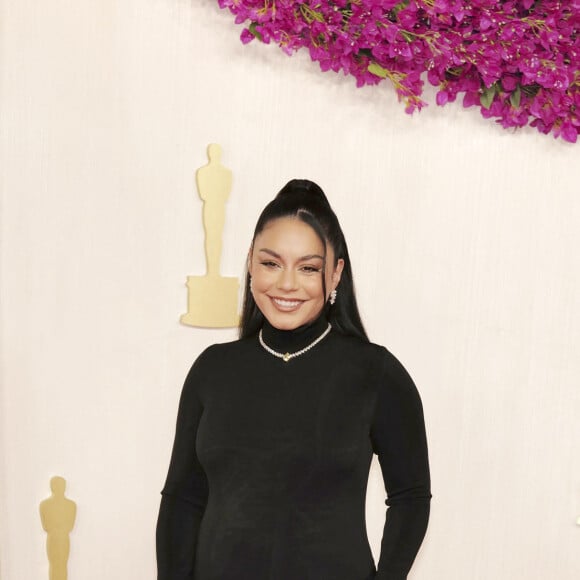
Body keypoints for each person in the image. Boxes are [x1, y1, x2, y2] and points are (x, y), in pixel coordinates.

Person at [156, 179, 431, 580]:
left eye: (308, 268)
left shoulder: (376, 375)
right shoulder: (213, 370)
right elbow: (182, 500)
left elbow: (410, 498)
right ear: (250, 262)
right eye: (271, 263)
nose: (286, 284)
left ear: (336, 273)